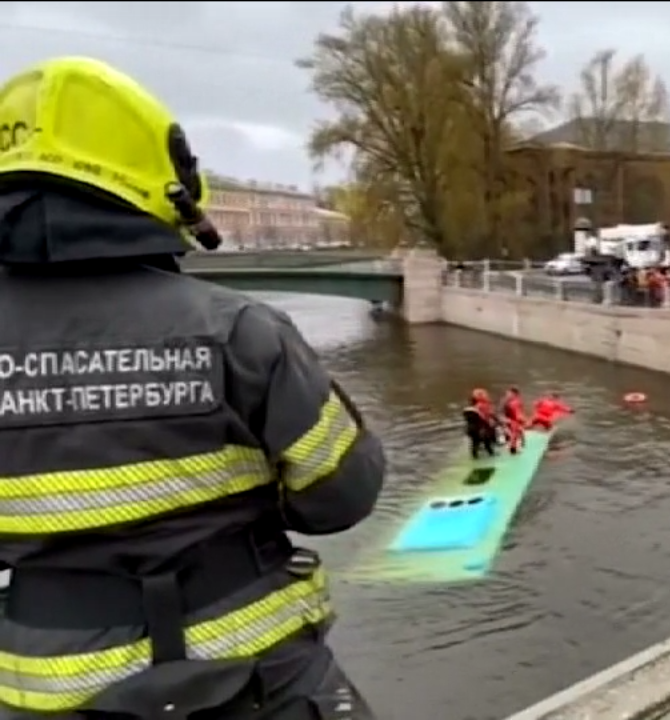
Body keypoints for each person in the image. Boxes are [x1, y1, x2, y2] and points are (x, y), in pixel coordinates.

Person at [0, 57, 385, 718]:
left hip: (43, 686)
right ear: (165, 180)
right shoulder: (239, 330)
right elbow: (343, 495)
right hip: (255, 680)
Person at [464, 388, 498, 459]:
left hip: (471, 429)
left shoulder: (471, 407)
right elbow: (486, 417)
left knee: (475, 444)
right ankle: (491, 454)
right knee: (487, 443)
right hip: (481, 429)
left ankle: (475, 456)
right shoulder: (482, 405)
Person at [502, 387, 526, 454]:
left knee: (514, 435)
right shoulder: (510, 401)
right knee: (513, 434)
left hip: (514, 420)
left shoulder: (515, 402)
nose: (507, 395)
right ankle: (513, 448)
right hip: (510, 420)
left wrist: (521, 420)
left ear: (514, 394)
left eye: (508, 393)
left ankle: (513, 449)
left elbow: (518, 413)